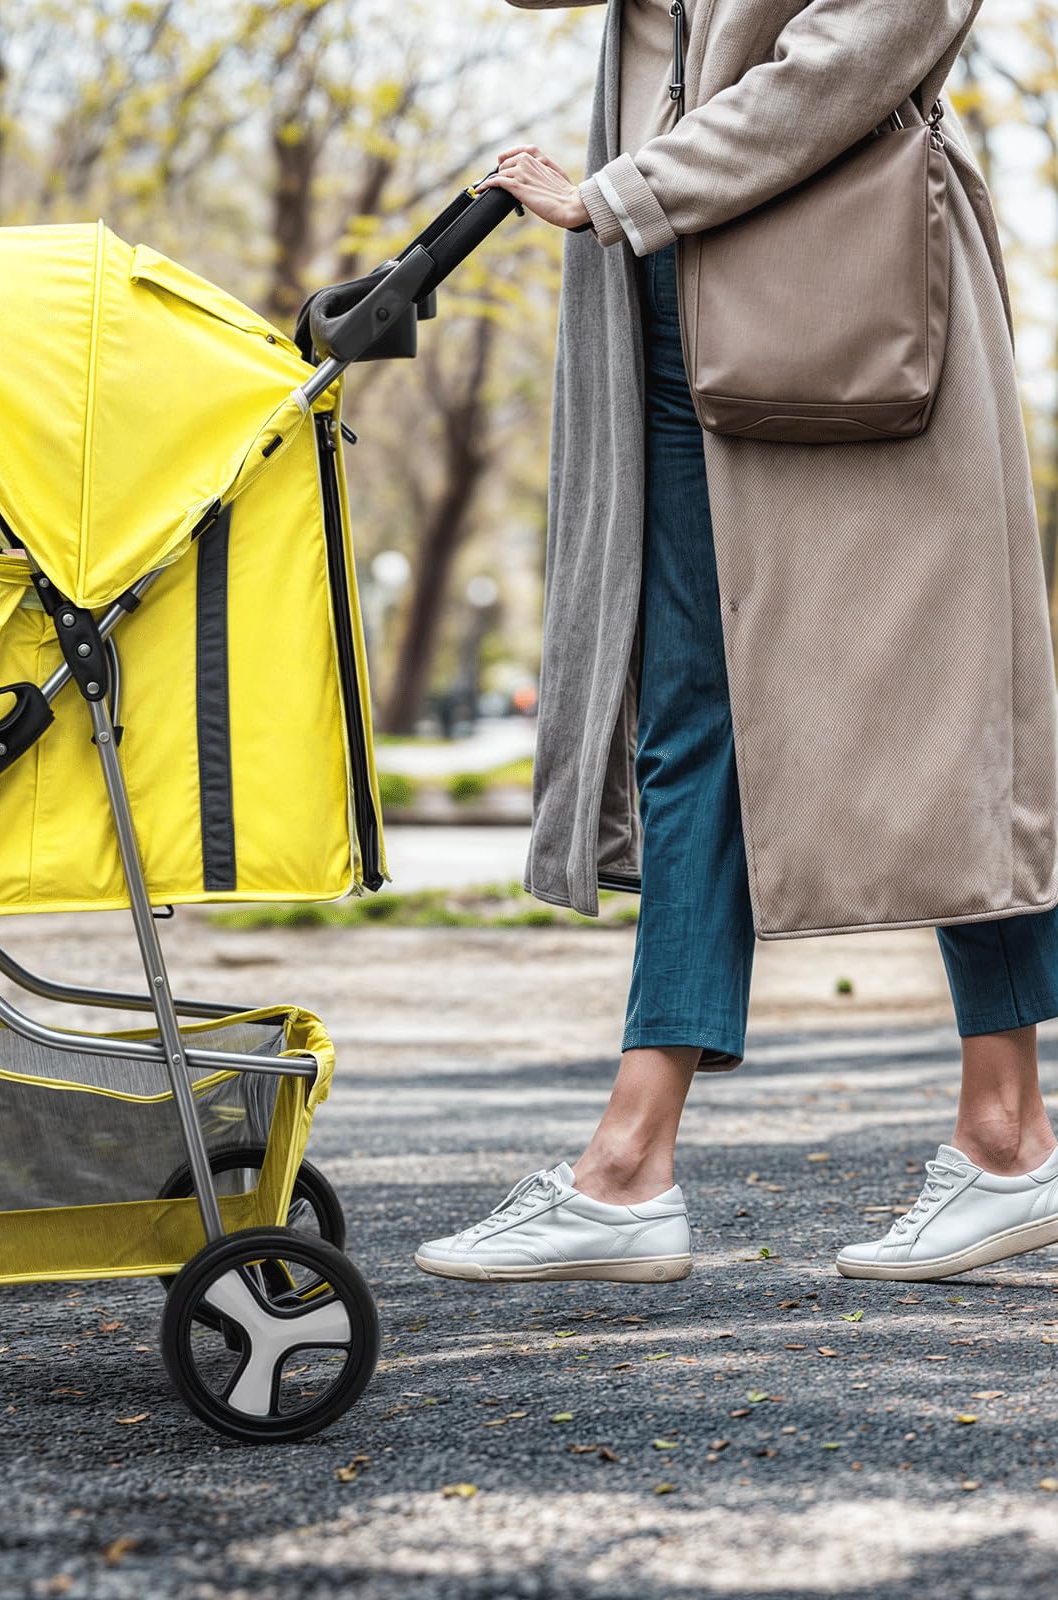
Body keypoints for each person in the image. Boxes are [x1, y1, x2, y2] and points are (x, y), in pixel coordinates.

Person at [417, 0, 1058, 1286]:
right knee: (688, 714)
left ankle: (1006, 1134)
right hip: (664, 288)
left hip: (846, 288)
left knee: (948, 701)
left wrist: (624, 190)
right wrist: (634, 202)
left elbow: (867, 39)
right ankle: (627, 1166)